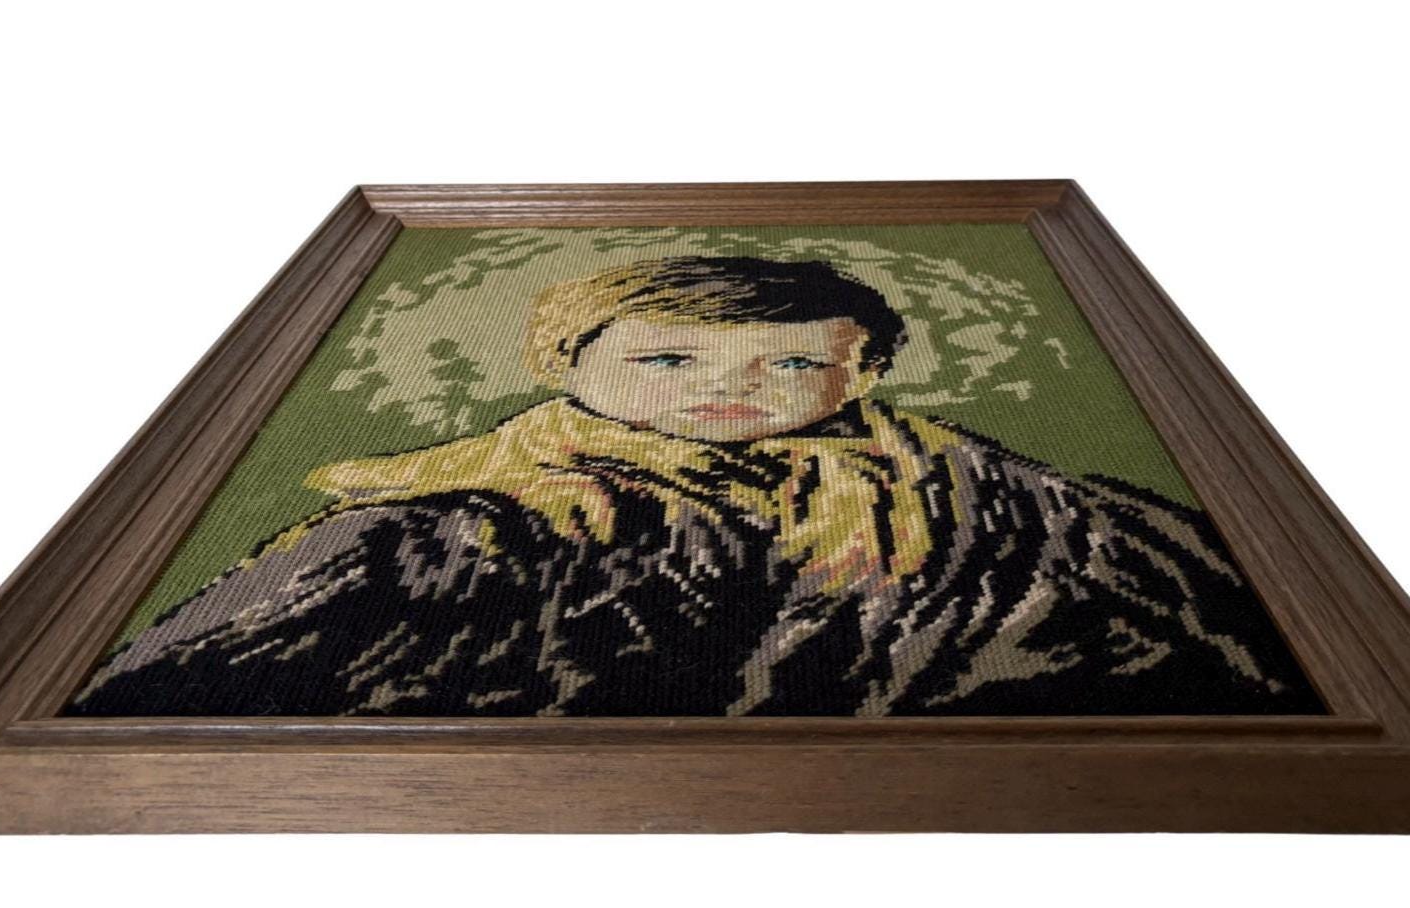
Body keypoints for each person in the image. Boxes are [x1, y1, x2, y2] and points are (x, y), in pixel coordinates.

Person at [66, 255, 1324, 717]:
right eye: (668, 361)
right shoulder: (460, 524)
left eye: (793, 364)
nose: (733, 392)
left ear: (863, 370)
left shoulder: (1000, 493)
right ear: (567, 362)